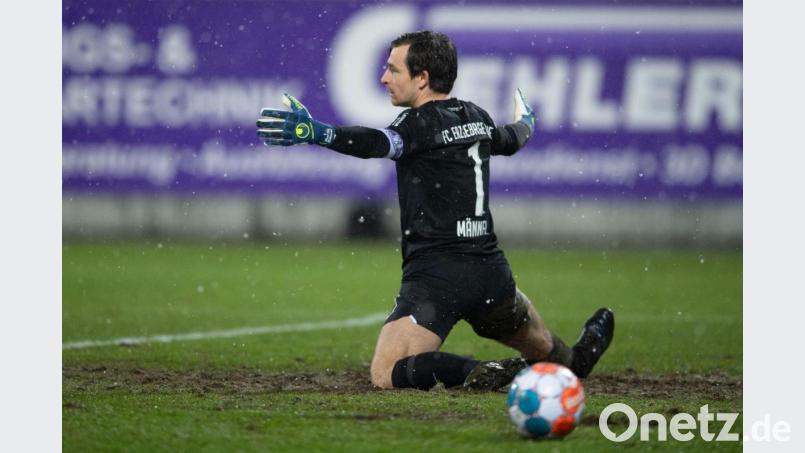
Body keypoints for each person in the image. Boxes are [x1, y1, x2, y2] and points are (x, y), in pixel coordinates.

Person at [257, 31, 614, 391]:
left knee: (386, 373)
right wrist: (527, 122)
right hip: (491, 275)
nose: (384, 78)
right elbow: (512, 138)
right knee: (545, 349)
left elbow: (377, 143)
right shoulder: (477, 117)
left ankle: (481, 370)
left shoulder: (417, 124)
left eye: (393, 69)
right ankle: (576, 360)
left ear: (422, 78)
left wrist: (319, 133)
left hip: (436, 279)